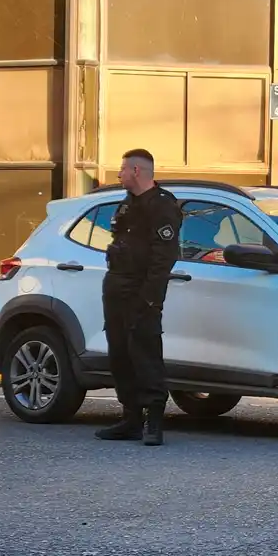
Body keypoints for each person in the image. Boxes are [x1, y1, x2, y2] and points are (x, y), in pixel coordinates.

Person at [94, 149, 182, 447]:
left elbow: (164, 257)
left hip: (141, 291)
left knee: (145, 354)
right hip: (117, 287)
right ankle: (130, 418)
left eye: (122, 169)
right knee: (120, 354)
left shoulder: (161, 206)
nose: (118, 175)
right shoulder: (128, 203)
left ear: (136, 170)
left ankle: (153, 422)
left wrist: (149, 299)